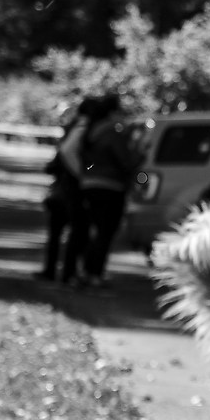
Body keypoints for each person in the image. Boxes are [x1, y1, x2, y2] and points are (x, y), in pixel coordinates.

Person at [61, 92, 140, 288]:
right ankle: (93, 273)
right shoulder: (112, 133)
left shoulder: (91, 130)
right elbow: (124, 160)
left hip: (90, 186)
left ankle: (82, 272)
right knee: (105, 232)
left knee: (93, 231)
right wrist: (139, 157)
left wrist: (84, 175)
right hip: (110, 187)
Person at [37, 101, 84, 282]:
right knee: (70, 233)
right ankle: (64, 273)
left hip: (64, 191)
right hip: (69, 192)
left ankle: (56, 272)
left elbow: (54, 165)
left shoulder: (72, 136)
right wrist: (85, 171)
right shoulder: (75, 136)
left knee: (61, 234)